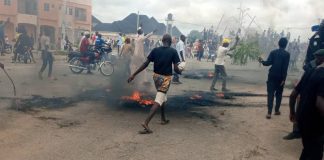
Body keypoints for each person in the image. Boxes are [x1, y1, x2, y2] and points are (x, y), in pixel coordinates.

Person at [128, 34, 182, 134]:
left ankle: (163, 118)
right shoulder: (173, 52)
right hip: (166, 79)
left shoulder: (155, 50)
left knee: (163, 97)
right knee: (159, 100)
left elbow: (145, 64)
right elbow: (176, 69)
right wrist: (180, 71)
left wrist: (134, 74)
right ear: (170, 42)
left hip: (156, 77)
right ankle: (146, 123)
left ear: (162, 41)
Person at [294, 49, 324, 160]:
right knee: (315, 152)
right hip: (315, 123)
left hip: (303, 119)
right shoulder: (321, 75)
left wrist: (295, 115)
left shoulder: (309, 71)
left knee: (307, 149)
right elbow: (320, 103)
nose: (315, 59)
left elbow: (294, 95)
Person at [259, 38, 290, 119]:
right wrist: (284, 79)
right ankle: (276, 110)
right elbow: (285, 67)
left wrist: (262, 61)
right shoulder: (287, 54)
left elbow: (268, 63)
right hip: (280, 77)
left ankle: (269, 113)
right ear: (286, 45)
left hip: (272, 75)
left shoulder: (273, 52)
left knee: (270, 94)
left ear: (278, 43)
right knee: (279, 94)